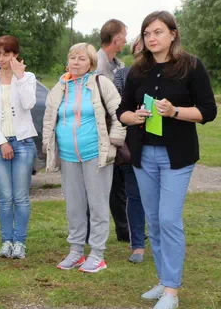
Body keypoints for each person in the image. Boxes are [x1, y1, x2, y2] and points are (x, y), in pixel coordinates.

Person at [117, 11, 217, 309]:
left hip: (177, 156)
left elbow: (208, 111)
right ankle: (163, 280)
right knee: (155, 219)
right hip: (143, 155)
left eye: (158, 32)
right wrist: (135, 117)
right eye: (147, 33)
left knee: (170, 219)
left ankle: (172, 290)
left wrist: (174, 112)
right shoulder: (137, 70)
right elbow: (122, 112)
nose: (152, 38)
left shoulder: (191, 66)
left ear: (173, 34)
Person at [43, 44, 125, 273]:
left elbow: (119, 113)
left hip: (96, 154)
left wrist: (115, 140)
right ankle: (76, 251)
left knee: (97, 205)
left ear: (91, 63)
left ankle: (97, 254)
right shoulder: (60, 87)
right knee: (74, 206)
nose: (76, 62)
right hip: (68, 156)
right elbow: (49, 118)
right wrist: (48, 145)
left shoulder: (101, 83)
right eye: (72, 58)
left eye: (81, 58)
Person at [0, 35, 39, 259]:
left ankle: (19, 242)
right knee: (4, 196)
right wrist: (2, 142)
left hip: (23, 143)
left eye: (6, 54)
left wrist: (20, 77)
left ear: (15, 54)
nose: (1, 58)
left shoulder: (27, 77)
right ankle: (6, 241)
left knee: (20, 196)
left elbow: (28, 103)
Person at [113, 39, 148, 264]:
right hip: (131, 144)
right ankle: (137, 245)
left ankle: (161, 239)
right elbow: (118, 108)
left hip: (161, 144)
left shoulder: (169, 74)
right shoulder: (123, 75)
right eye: (139, 49)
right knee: (134, 195)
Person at [96, 19, 131, 244]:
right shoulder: (96, 64)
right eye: (124, 35)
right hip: (99, 132)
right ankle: (92, 233)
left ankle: (124, 229)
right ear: (116, 38)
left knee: (120, 182)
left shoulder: (118, 65)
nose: (126, 39)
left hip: (117, 129)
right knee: (100, 185)